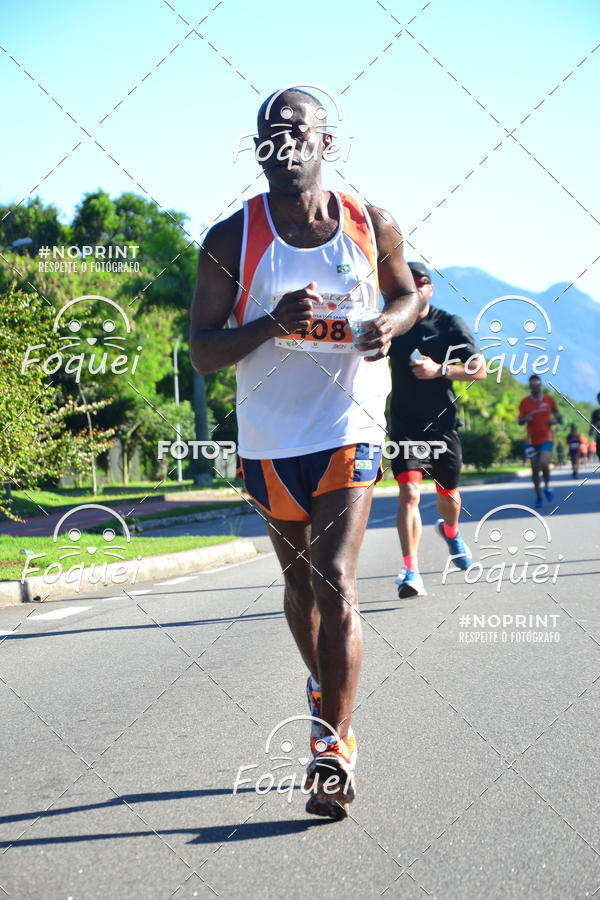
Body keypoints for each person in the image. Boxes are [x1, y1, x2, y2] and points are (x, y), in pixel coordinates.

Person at [189, 88, 419, 818]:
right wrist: (264, 325)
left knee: (337, 580)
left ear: (327, 142)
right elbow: (201, 352)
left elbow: (408, 293)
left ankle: (332, 748)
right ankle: (323, 687)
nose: (281, 145)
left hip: (348, 425)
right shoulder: (231, 240)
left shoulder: (369, 224)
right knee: (300, 591)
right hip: (268, 440)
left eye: (295, 131)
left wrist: (390, 323)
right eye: (267, 135)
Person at [387, 262, 486, 598]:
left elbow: (479, 370)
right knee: (410, 494)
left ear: (431, 288)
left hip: (442, 425)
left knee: (449, 496)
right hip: (404, 425)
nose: (416, 289)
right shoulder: (392, 322)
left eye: (422, 283)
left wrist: (439, 370)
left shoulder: (448, 324)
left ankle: (451, 530)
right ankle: (410, 571)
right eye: (408, 283)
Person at [518, 376, 562, 507]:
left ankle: (547, 487)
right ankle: (538, 497)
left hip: (546, 438)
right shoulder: (524, 402)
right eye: (532, 383)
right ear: (529, 386)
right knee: (534, 470)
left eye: (537, 383)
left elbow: (558, 416)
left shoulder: (549, 400)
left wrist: (555, 420)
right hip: (531, 441)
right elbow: (520, 421)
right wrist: (526, 418)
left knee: (544, 463)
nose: (534, 385)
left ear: (540, 385)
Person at [590, 393, 600, 461]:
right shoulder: (595, 413)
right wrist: (591, 430)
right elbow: (592, 424)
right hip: (599, 436)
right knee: (599, 452)